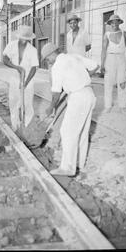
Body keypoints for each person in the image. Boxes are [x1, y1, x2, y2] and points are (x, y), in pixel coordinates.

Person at [41, 42, 99, 177]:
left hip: (78, 97)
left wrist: (51, 107)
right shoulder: (74, 57)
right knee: (83, 132)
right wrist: (80, 78)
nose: (48, 62)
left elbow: (56, 92)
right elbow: (95, 66)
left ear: (51, 54)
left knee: (67, 131)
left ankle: (68, 168)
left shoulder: (56, 66)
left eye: (47, 58)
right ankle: (80, 164)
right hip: (89, 93)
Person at [3, 25, 39, 132]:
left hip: (28, 80)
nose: (24, 40)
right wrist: (16, 67)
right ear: (19, 36)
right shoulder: (11, 45)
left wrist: (25, 83)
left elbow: (34, 68)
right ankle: (15, 127)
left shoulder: (32, 50)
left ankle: (27, 128)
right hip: (14, 79)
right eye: (23, 38)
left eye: (27, 39)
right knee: (13, 104)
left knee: (27, 105)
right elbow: (5, 59)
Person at [100, 14, 126, 113]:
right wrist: (102, 64)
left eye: (116, 21)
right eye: (112, 22)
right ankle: (108, 105)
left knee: (122, 82)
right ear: (110, 23)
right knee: (108, 82)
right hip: (110, 59)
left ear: (119, 22)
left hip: (121, 59)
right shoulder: (107, 34)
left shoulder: (125, 34)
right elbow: (103, 50)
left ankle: (122, 106)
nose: (114, 23)